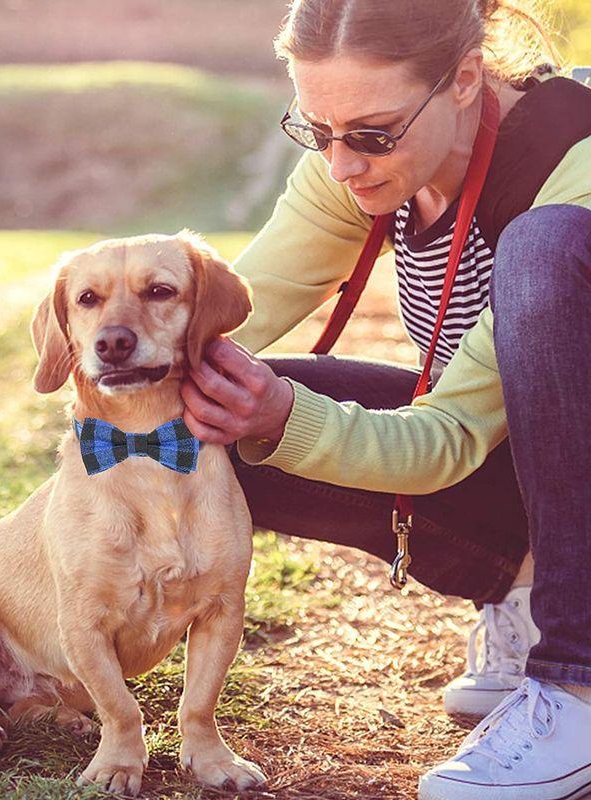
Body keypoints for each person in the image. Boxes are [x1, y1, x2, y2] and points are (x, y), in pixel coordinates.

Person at [179, 1, 591, 798]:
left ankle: (580, 679)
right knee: (209, 408)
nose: (341, 165)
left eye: (371, 133)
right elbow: (217, 325)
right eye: (316, 130)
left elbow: (450, 434)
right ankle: (530, 590)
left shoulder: (575, 163)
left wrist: (287, 418)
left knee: (543, 247)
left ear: (465, 79)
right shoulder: (368, 160)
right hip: (530, 479)